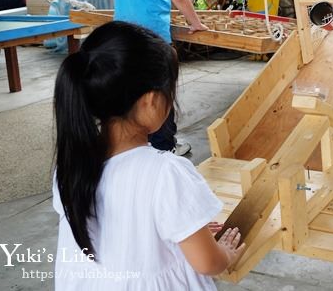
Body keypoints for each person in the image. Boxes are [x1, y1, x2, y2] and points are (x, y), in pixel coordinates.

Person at [53, 21, 245, 290]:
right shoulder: (166, 173)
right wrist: (224, 252)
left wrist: (188, 228)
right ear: (151, 101)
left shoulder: (69, 167)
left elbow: (122, 230)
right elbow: (207, 263)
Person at [106, 0, 207, 155]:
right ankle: (164, 148)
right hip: (152, 37)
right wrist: (196, 24)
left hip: (123, 36)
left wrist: (129, 9)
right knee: (159, 94)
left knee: (134, 93)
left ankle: (138, 146)